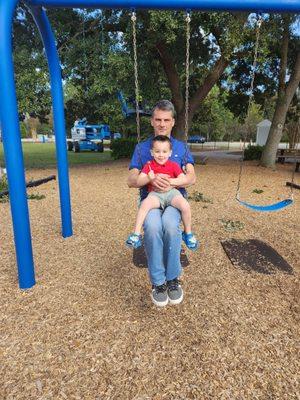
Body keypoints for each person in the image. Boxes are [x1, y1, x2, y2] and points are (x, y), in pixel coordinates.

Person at [127, 100, 197, 307]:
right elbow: (131, 180)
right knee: (153, 226)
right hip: (152, 199)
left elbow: (191, 177)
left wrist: (169, 181)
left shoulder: (181, 148)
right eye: (158, 119)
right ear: (152, 121)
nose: (162, 124)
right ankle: (158, 282)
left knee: (169, 226)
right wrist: (149, 178)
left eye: (166, 120)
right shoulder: (142, 149)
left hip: (174, 199)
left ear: (173, 122)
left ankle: (173, 279)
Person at [126, 135, 198, 251]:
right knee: (144, 206)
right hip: (155, 194)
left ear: (170, 153)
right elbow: (139, 181)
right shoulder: (148, 166)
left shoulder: (173, 165)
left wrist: (170, 182)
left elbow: (183, 179)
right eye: (157, 151)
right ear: (152, 152)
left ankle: (188, 233)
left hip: (172, 193)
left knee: (185, 205)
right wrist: (148, 178)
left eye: (164, 151)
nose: (161, 155)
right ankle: (136, 234)